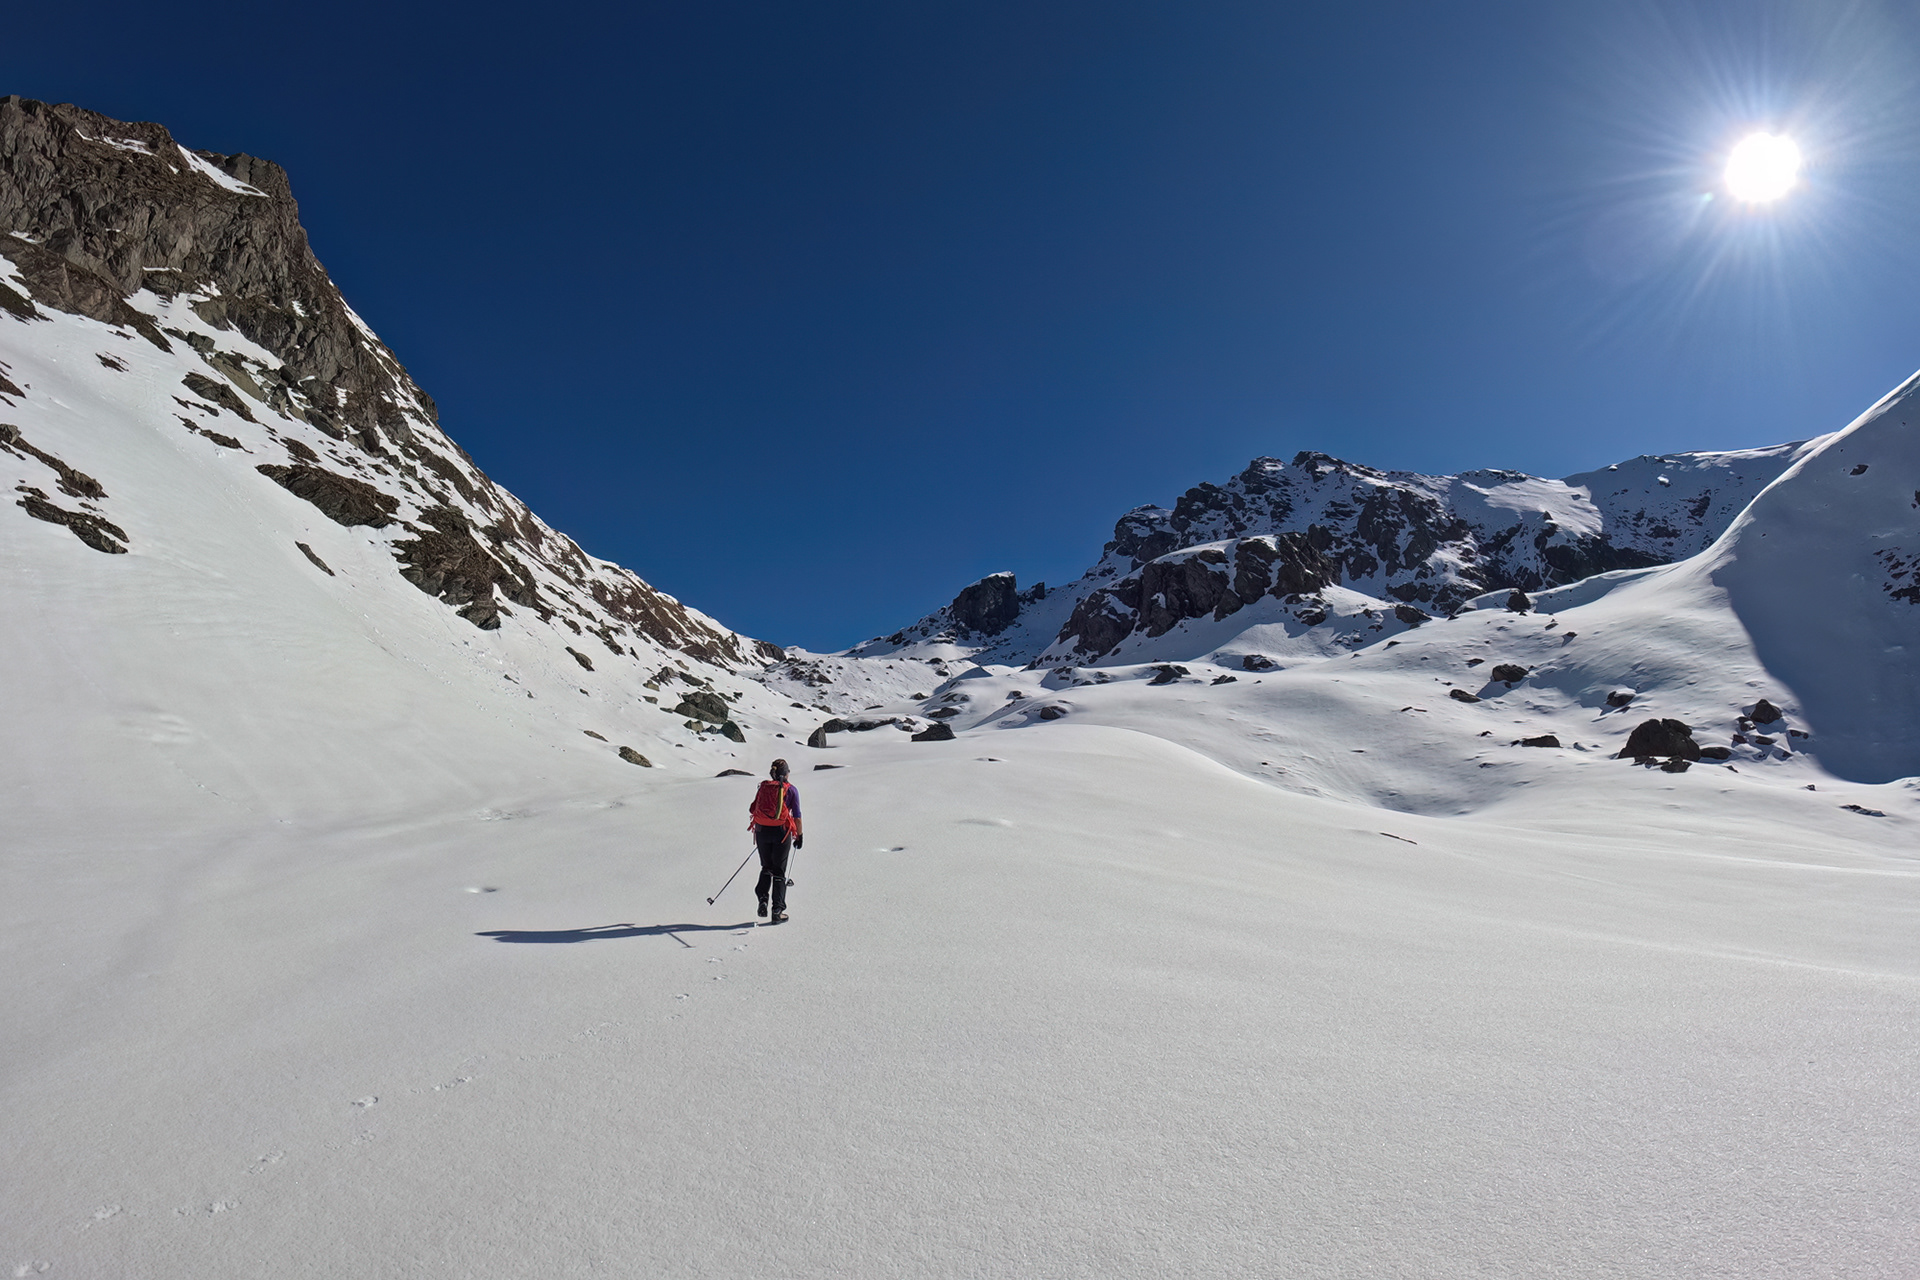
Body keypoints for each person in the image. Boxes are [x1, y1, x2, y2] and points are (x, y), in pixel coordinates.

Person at [748, 758, 803, 922]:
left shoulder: (763, 788)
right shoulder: (791, 790)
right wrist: (799, 836)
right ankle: (777, 911)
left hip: (761, 831)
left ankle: (763, 899)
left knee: (766, 867)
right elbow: (797, 816)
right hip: (782, 833)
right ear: (786, 773)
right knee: (779, 871)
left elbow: (752, 808)